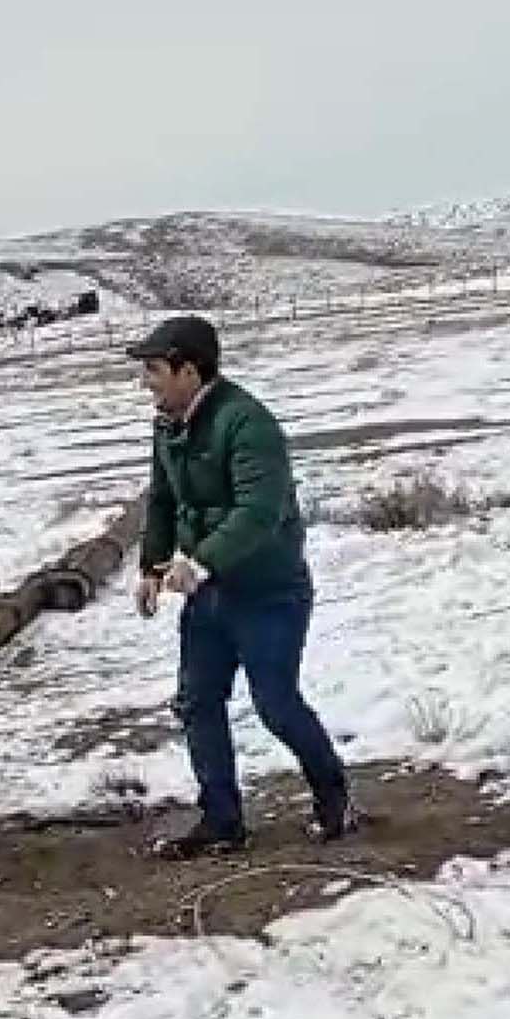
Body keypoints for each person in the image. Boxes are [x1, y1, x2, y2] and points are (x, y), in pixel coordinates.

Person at [127, 317, 353, 859]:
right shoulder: (168, 424)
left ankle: (333, 796)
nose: (146, 382)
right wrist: (152, 567)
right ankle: (221, 821)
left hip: (268, 592)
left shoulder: (247, 424)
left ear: (190, 368)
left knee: (275, 703)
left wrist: (201, 561)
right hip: (209, 595)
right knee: (197, 701)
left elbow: (260, 511)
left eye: (155, 370)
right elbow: (161, 500)